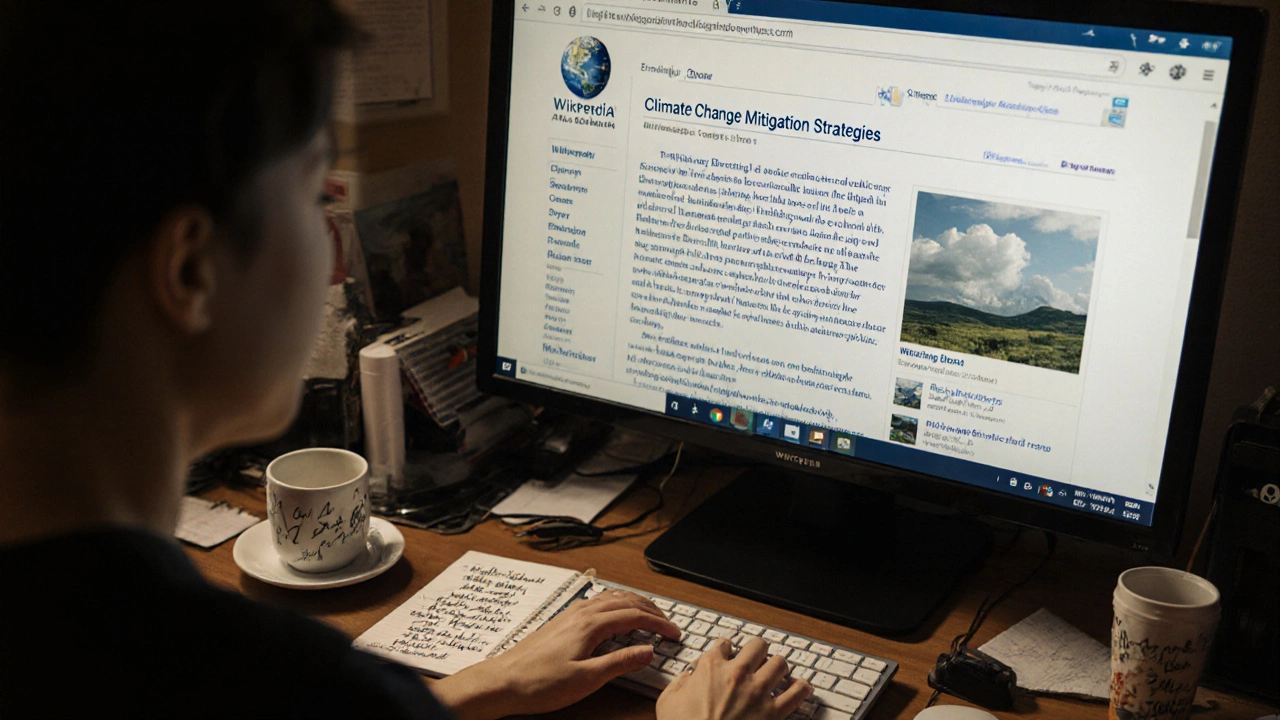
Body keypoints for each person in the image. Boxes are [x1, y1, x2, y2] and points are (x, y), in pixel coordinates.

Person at [0, 3, 813, 719]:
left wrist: (468, 689)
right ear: (190, 270)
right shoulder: (257, 679)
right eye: (316, 198)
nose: (330, 247)